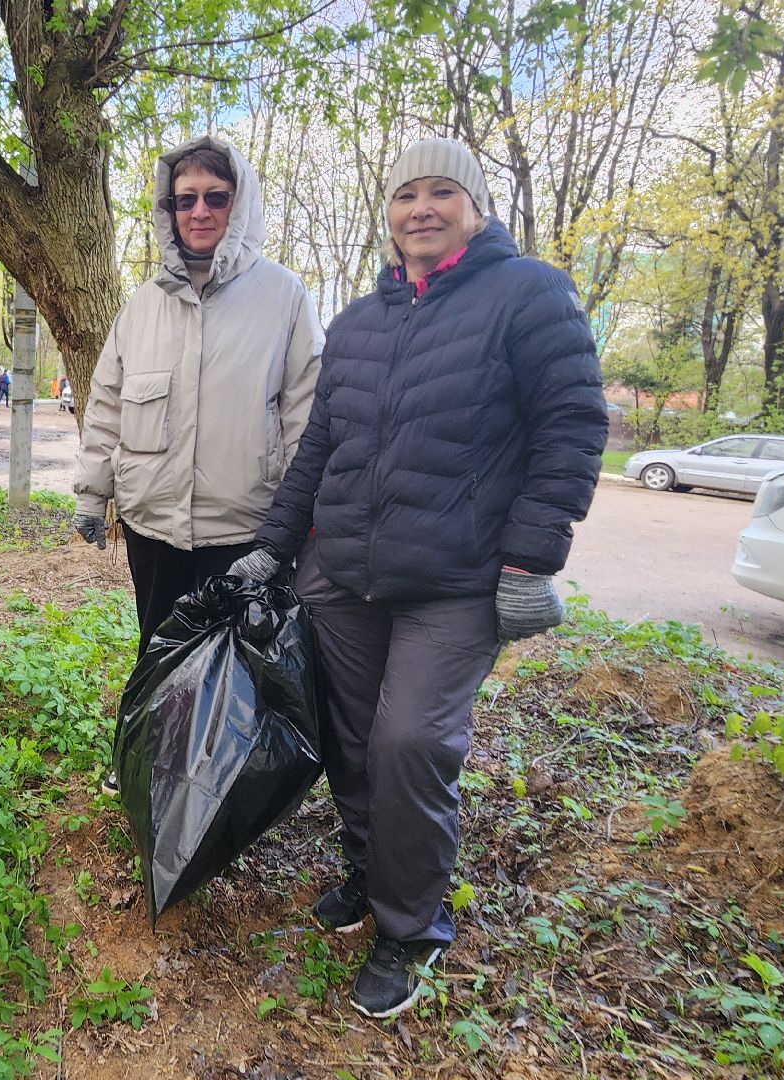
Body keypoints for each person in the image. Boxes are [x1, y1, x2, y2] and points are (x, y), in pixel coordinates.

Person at [231, 137, 607, 1018]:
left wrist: (528, 560)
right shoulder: (358, 322)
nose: (421, 210)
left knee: (411, 745)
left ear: (475, 207)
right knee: (352, 740)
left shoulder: (529, 293)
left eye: (443, 192)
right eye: (406, 196)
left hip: (455, 582)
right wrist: (272, 546)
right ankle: (368, 870)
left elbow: (571, 426)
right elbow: (321, 448)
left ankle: (410, 925)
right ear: (389, 215)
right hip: (345, 576)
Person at [72, 134, 324, 781]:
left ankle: (215, 783)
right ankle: (142, 765)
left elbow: (306, 418)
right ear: (168, 209)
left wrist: (296, 525)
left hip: (242, 528)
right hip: (153, 520)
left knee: (233, 659)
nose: (200, 211)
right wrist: (90, 492)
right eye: (186, 199)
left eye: (216, 197)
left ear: (238, 204)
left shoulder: (283, 298)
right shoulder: (143, 304)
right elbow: (106, 404)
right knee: (158, 645)